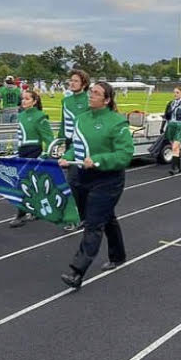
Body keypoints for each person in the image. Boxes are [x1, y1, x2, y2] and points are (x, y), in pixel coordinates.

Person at [58, 81, 134, 289]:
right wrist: (67, 156)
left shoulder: (117, 122)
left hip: (108, 180)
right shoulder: (82, 119)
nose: (90, 95)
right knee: (105, 217)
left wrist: (99, 159)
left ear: (107, 100)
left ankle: (77, 271)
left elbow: (125, 154)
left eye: (96, 93)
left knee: (93, 223)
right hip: (83, 178)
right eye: (90, 91)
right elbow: (77, 146)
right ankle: (118, 255)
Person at [9, 89, 54, 228]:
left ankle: (21, 215)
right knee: (29, 184)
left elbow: (49, 138)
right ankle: (36, 211)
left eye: (27, 99)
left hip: (34, 151)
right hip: (23, 152)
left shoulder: (40, 116)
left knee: (24, 183)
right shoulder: (21, 115)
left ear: (35, 101)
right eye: (23, 98)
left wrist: (44, 154)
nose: (24, 101)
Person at [58, 69, 91, 232]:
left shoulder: (88, 100)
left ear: (84, 84)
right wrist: (60, 141)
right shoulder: (66, 100)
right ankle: (75, 217)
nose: (71, 83)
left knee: (83, 184)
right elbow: (64, 122)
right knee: (71, 182)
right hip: (71, 143)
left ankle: (84, 216)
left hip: (86, 144)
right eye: (70, 80)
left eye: (75, 81)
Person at [164, 86, 181, 175]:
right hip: (171, 125)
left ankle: (173, 167)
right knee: (175, 148)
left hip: (180, 125)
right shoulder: (170, 103)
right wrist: (162, 127)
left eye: (177, 92)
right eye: (174, 92)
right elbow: (166, 116)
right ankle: (178, 167)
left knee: (175, 147)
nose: (175, 94)